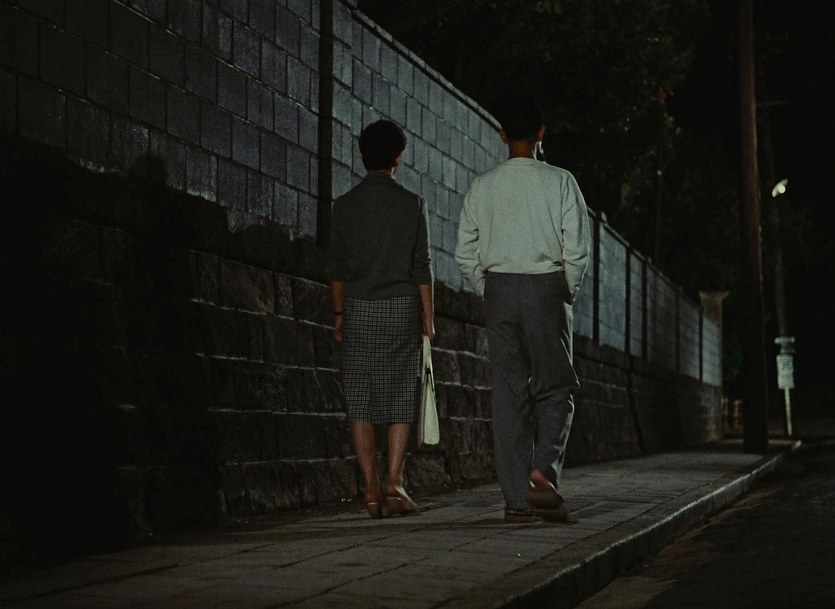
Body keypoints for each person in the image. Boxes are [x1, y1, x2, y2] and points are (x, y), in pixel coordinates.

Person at [454, 97, 591, 523]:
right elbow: (577, 249)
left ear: (501, 135)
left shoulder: (483, 186)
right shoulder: (560, 181)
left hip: (499, 289)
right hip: (546, 288)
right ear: (541, 133)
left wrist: (489, 289)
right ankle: (543, 472)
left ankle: (516, 501)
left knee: (509, 394)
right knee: (557, 386)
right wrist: (564, 291)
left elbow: (465, 252)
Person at [328, 119, 435, 519]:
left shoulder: (344, 206)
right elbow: (422, 267)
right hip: (402, 308)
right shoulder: (413, 204)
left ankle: (371, 489)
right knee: (401, 394)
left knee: (360, 396)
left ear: (361, 156)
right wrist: (428, 319)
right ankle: (395, 481)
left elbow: (337, 268)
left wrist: (339, 313)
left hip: (358, 307)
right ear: (397, 159)